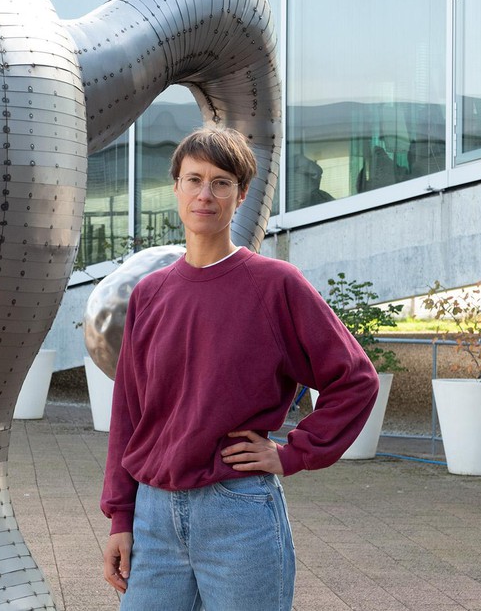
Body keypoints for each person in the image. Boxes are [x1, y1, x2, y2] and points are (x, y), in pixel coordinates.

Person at [99, 126, 380, 610]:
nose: (205, 194)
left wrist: (294, 452)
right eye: (194, 180)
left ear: (242, 194)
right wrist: (120, 515)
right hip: (153, 515)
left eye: (221, 182)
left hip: (238, 511)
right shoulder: (150, 294)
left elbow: (355, 379)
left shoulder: (275, 286)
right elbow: (129, 412)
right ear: (176, 189)